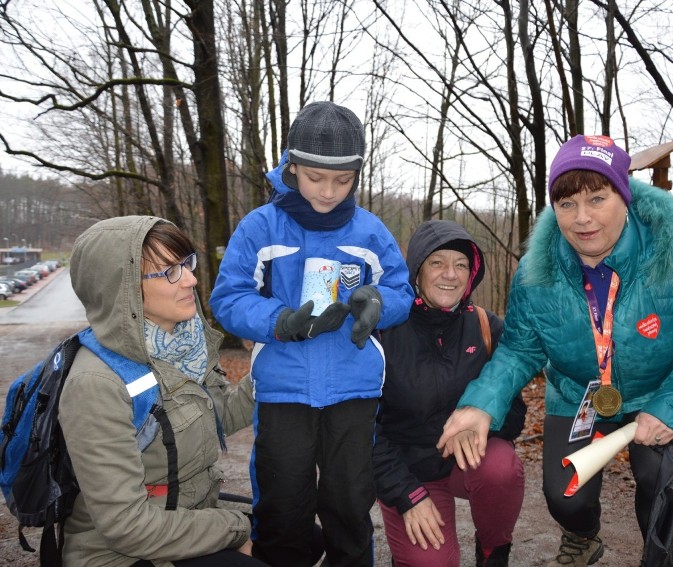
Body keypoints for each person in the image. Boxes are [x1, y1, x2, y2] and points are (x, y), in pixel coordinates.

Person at [437, 135, 673, 566]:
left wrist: (672, 408)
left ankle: (660, 556)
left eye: (597, 199)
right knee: (566, 496)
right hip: (577, 394)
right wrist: (480, 404)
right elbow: (519, 349)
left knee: (662, 483)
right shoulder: (536, 270)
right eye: (566, 204)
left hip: (657, 392)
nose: (582, 219)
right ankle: (583, 537)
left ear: (624, 195)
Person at [209, 101, 414, 567]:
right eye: (316, 178)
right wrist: (277, 321)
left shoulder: (369, 230)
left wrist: (378, 305)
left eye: (342, 181)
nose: (328, 192)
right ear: (292, 166)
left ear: (356, 176)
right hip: (284, 390)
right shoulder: (260, 226)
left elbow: (400, 290)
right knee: (283, 509)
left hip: (353, 388)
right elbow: (228, 298)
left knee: (349, 507)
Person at [58, 216, 265, 566]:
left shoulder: (186, 346)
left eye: (186, 264)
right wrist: (235, 528)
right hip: (117, 553)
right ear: (121, 288)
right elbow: (127, 526)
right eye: (170, 271)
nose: (192, 280)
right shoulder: (96, 384)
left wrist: (268, 362)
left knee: (301, 537)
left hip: (183, 515)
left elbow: (221, 416)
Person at [373, 220, 526, 567]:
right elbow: (364, 431)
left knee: (501, 468)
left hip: (467, 464)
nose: (450, 274)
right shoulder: (384, 333)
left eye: (461, 265)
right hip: (409, 473)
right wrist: (406, 495)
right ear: (416, 270)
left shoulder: (487, 327)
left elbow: (515, 412)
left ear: (471, 275)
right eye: (437, 262)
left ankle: (492, 552)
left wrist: (484, 421)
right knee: (432, 562)